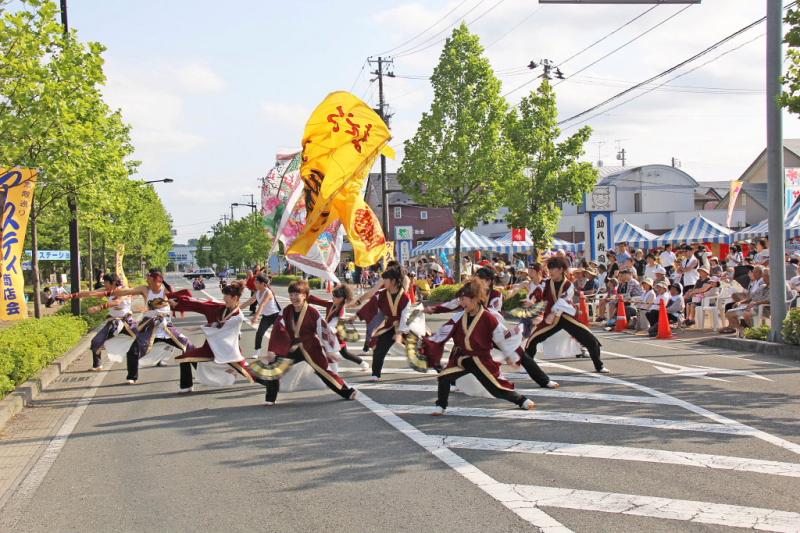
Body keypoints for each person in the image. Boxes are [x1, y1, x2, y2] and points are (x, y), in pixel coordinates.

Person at [427, 281, 537, 416]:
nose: (461, 303)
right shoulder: (460, 316)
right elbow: (444, 330)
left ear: (474, 299)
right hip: (462, 359)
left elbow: (499, 339)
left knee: (495, 388)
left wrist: (508, 355)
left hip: (481, 360)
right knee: (444, 377)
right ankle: (440, 406)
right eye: (460, 300)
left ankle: (521, 400)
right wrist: (431, 339)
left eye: (463, 300)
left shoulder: (488, 317)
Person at [261, 280, 358, 405]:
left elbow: (323, 330)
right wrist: (272, 349)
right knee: (274, 368)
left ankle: (347, 392)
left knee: (323, 371)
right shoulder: (286, 311)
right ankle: (270, 399)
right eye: (291, 295)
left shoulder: (312, 312)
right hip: (292, 348)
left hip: (311, 347)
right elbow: (277, 329)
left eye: (297, 294)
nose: (293, 298)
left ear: (305, 295)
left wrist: (329, 351)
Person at [109, 268, 196, 391]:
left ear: (158, 280)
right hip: (149, 326)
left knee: (189, 347)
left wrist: (171, 301)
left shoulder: (167, 290)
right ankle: (132, 377)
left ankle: (199, 376)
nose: (147, 281)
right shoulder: (145, 289)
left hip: (166, 326)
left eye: (149, 280)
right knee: (133, 351)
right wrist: (112, 291)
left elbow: (177, 302)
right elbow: (127, 291)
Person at [172, 282, 265, 388]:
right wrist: (177, 302)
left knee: (249, 372)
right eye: (224, 295)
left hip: (228, 351)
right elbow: (200, 304)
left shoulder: (238, 316)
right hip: (210, 349)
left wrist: (199, 327)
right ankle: (186, 387)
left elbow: (220, 326)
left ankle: (270, 383)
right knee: (184, 358)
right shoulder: (221, 307)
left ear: (235, 298)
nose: (224, 298)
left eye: (226, 296)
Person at [525, 256, 609, 373]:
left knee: (591, 341)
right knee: (532, 340)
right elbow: (538, 293)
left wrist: (553, 312)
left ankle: (599, 366)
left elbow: (562, 301)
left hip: (567, 318)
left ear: (560, 269)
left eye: (552, 269)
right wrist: (532, 300)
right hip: (551, 320)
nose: (550, 272)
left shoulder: (568, 285)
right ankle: (528, 366)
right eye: (549, 269)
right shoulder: (546, 283)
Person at [60, 273, 136, 371]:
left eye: (105, 282)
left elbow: (116, 302)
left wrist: (99, 307)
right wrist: (70, 296)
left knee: (143, 340)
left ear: (112, 283)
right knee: (96, 342)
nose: (104, 285)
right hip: (113, 321)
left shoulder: (124, 290)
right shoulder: (107, 290)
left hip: (126, 322)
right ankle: (97, 365)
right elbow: (89, 293)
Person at [356, 267, 411, 381]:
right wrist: (356, 316)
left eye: (385, 280)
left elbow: (405, 317)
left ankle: (441, 369)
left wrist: (399, 334)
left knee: (422, 350)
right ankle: (375, 374)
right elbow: (370, 305)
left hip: (406, 327)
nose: (383, 282)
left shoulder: (405, 297)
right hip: (390, 326)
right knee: (379, 348)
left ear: (393, 281)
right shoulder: (382, 294)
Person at [307, 285, 370, 371]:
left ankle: (361, 363)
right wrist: (306, 296)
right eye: (333, 295)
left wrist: (328, 330)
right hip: (328, 332)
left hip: (337, 334)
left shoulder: (342, 310)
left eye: (335, 296)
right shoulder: (331, 304)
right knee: (336, 352)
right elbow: (318, 301)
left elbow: (337, 322)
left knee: (343, 353)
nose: (333, 298)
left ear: (342, 298)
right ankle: (333, 370)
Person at [240, 274, 280, 359]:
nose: (254, 283)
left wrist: (256, 317)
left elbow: (262, 304)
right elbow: (249, 301)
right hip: (266, 317)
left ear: (263, 284)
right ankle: (257, 351)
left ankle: (283, 351)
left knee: (279, 334)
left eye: (257, 282)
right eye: (255, 281)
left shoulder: (268, 292)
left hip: (276, 316)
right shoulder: (257, 292)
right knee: (259, 333)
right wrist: (237, 309)